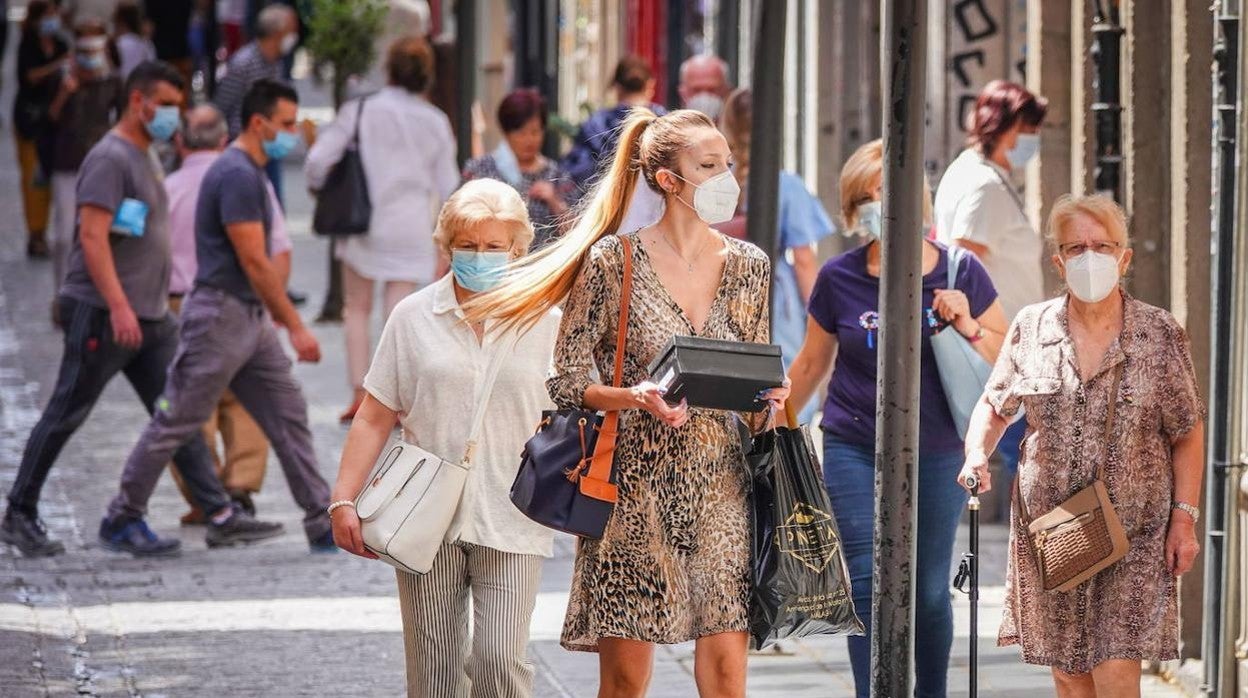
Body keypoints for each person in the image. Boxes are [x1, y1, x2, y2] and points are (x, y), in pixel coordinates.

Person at [465, 108, 791, 697]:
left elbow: (753, 389)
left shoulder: (750, 266)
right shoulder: (614, 262)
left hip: (723, 488)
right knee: (624, 682)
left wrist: (771, 397)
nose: (726, 177)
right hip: (633, 492)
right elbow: (564, 380)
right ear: (668, 179)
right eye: (709, 165)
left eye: (728, 163)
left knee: (727, 676)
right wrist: (634, 397)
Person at [0, 61, 281, 559]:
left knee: (177, 409)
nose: (174, 115)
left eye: (178, 106)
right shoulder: (110, 158)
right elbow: (92, 236)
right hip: (107, 314)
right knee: (67, 411)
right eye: (166, 105)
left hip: (149, 315)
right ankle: (19, 512)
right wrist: (118, 307)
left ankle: (215, 512)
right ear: (138, 102)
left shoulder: (144, 152)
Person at [783, 139, 1008, 697]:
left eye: (886, 193)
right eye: (866, 198)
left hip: (938, 446)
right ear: (851, 208)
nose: (877, 207)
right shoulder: (839, 277)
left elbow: (1005, 354)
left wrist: (967, 323)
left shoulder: (960, 271)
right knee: (866, 582)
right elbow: (811, 364)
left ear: (917, 201)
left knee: (927, 591)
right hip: (853, 443)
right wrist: (773, 428)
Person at [958, 194, 1205, 697]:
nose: (1089, 257)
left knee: (1116, 670)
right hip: (1055, 530)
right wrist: (977, 453)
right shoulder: (1032, 328)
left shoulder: (1158, 333)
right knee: (1070, 678)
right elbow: (995, 404)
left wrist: (1184, 519)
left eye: (1102, 246)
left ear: (1124, 257)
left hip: (1136, 531)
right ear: (1059, 262)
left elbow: (1187, 431)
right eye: (1076, 248)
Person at [331, 179, 560, 696]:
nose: (480, 256)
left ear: (517, 249)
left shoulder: (545, 321)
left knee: (501, 659)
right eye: (468, 245)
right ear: (447, 246)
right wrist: (344, 498)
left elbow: (576, 408)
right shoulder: (412, 317)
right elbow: (374, 415)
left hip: (512, 511)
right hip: (421, 512)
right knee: (434, 668)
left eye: (494, 246)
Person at [104, 79, 335, 554]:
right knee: (176, 418)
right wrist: (295, 326)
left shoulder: (246, 171)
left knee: (287, 412)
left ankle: (320, 517)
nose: (293, 133)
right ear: (259, 123)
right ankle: (122, 515)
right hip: (220, 315)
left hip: (246, 316)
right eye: (287, 124)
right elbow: (254, 259)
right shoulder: (236, 174)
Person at [305, 35, 459, 423]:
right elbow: (449, 186)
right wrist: (448, 241)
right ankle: (396, 400)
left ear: (387, 69)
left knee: (356, 309)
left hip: (363, 222)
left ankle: (359, 394)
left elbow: (318, 161)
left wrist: (318, 186)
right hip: (411, 227)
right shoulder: (435, 121)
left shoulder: (359, 110)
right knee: (399, 314)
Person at [164, 103, 293, 523]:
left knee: (190, 404)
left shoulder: (166, 188)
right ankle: (240, 485)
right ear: (223, 139)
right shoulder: (248, 181)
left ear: (179, 141)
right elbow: (279, 248)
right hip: (240, 301)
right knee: (245, 399)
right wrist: (274, 304)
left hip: (179, 304)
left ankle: (204, 494)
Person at [935, 79, 1049, 493]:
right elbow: (964, 261)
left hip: (1001, 342)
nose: (1031, 140)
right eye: (1027, 129)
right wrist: (979, 332)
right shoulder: (982, 184)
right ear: (1005, 127)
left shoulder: (978, 175)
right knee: (1027, 459)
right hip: (999, 345)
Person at [717, 87, 835, 422]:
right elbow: (805, 260)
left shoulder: (715, 181)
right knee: (785, 384)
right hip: (776, 296)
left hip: (720, 286)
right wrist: (819, 313)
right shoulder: (786, 185)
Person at [46, 20, 124, 305]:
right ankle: (62, 295)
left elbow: (123, 118)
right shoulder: (64, 78)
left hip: (102, 166)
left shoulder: (113, 81)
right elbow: (50, 118)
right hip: (67, 163)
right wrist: (65, 92)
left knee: (103, 232)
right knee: (64, 234)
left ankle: (98, 292)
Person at [461, 88, 575, 248]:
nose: (529, 140)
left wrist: (554, 201)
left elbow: (576, 235)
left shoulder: (556, 175)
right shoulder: (480, 170)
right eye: (521, 133)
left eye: (535, 132)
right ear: (506, 132)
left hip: (541, 262)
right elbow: (456, 220)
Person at [211, 3, 296, 199]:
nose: (293, 37)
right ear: (277, 33)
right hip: (245, 146)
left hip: (270, 142)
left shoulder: (276, 63)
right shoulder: (243, 63)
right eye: (290, 31)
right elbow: (221, 106)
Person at [12, 0, 69, 259]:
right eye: (47, 15)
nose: (52, 19)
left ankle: (50, 229)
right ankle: (36, 233)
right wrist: (56, 66)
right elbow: (29, 77)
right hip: (29, 119)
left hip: (54, 120)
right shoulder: (29, 44)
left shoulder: (60, 44)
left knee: (52, 178)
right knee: (33, 178)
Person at [562, 54, 666, 194]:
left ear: (617, 87)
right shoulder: (664, 122)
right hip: (656, 200)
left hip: (608, 199)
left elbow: (578, 171)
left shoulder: (596, 124)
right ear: (650, 85)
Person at [678, 54, 731, 120]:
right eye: (697, 90)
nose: (704, 97)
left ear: (726, 90)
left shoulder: (740, 125)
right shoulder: (668, 125)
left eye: (711, 90)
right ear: (683, 92)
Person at [113, 2, 155, 80]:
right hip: (145, 84)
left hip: (126, 85)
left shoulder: (118, 44)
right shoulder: (147, 43)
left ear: (120, 22)